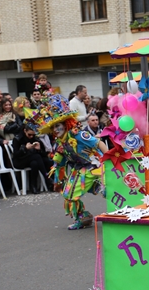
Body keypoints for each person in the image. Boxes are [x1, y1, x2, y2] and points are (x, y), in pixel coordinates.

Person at [30, 95, 103, 229]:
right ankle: (83, 217)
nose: (56, 130)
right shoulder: (60, 143)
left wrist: (108, 160)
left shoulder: (79, 135)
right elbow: (59, 164)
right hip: (79, 169)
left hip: (94, 166)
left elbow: (98, 143)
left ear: (66, 124)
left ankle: (125, 213)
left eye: (58, 126)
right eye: (53, 128)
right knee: (68, 194)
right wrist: (58, 181)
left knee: (109, 191)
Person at [12, 124, 53, 194]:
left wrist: (39, 149)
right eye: (29, 135)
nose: (31, 137)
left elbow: (44, 155)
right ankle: (48, 179)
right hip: (19, 161)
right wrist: (25, 149)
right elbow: (16, 154)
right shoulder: (17, 138)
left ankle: (33, 186)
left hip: (32, 159)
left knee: (36, 163)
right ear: (25, 131)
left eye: (33, 135)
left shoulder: (35, 138)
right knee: (36, 157)